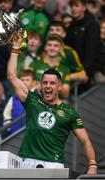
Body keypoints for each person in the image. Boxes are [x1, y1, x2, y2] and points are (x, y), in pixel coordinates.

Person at [7, 33, 97, 173]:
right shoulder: (32, 101)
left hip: (54, 165)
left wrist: (92, 165)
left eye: (52, 83)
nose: (48, 86)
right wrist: (15, 48)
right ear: (41, 85)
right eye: (45, 82)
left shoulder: (69, 112)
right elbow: (12, 76)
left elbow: (85, 140)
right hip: (27, 162)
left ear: (59, 86)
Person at [65, 0, 100, 84]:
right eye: (72, 6)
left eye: (76, 6)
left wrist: (83, 71)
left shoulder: (92, 25)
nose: (73, 8)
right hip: (73, 68)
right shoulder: (72, 25)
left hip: (87, 70)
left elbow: (91, 52)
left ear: (84, 8)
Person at [29, 34, 71, 99]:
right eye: (49, 45)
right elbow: (27, 84)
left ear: (61, 49)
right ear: (45, 47)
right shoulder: (35, 64)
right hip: (35, 100)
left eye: (56, 46)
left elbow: (66, 94)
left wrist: (42, 85)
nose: (52, 48)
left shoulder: (65, 68)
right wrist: (56, 85)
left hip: (55, 105)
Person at [3, 69, 36, 136]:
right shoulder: (13, 98)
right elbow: (6, 115)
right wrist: (9, 128)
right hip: (14, 133)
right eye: (22, 80)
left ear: (33, 82)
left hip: (32, 134)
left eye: (27, 80)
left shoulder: (39, 97)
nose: (24, 82)